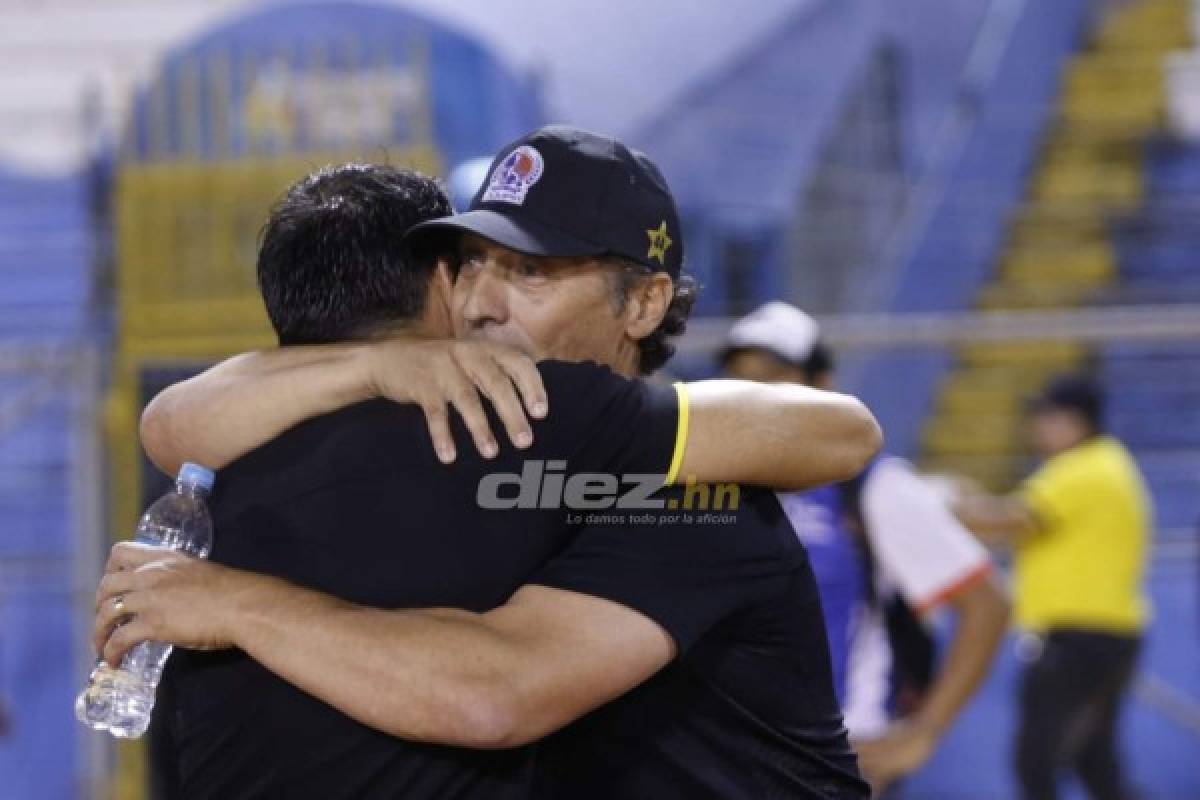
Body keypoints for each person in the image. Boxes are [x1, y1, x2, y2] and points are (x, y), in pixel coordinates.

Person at [96, 127, 880, 798]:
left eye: (531, 271)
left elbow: (496, 691)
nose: (481, 303)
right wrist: (371, 368)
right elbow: (175, 423)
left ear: (643, 304)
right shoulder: (484, 444)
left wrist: (232, 605)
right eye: (473, 262)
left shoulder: (681, 488)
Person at [722, 302, 1010, 793]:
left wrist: (923, 733)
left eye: (774, 375)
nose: (755, 394)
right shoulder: (711, 486)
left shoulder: (872, 487)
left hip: (833, 760)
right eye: (739, 379)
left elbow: (987, 605)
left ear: (823, 386)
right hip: (729, 759)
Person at [955, 374, 1150, 800]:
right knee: (1095, 763)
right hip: (1104, 635)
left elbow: (1008, 520)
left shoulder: (1082, 468)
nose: (1036, 428)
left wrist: (938, 504)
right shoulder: (1105, 464)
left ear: (1075, 422)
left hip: (1077, 638)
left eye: (1046, 417)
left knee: (1035, 762)